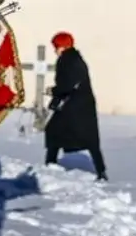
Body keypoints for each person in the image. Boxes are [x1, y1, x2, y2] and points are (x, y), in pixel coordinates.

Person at [44, 31, 107, 181]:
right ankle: (101, 171)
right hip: (81, 106)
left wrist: (53, 91)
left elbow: (67, 85)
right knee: (90, 140)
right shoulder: (75, 58)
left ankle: (50, 164)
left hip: (73, 106)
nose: (55, 50)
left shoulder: (67, 60)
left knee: (53, 131)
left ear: (62, 46)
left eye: (56, 46)